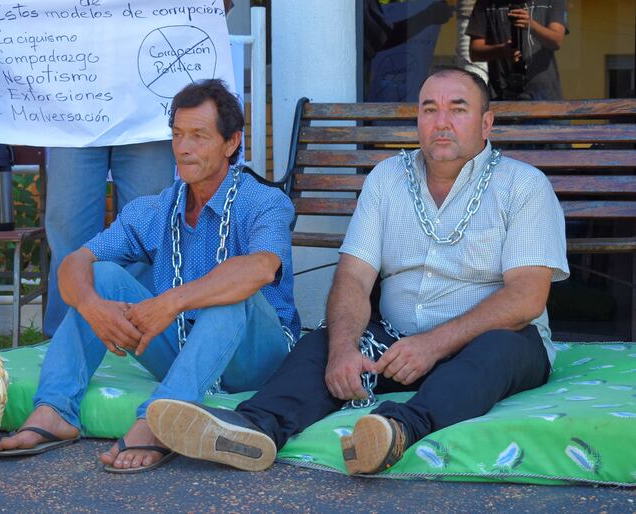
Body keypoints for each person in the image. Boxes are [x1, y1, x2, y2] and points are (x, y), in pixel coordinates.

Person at [145, 68, 570, 474]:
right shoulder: (386, 179)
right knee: (324, 344)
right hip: (396, 339)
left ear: (486, 123)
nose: (441, 122)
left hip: (498, 338)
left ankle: (395, 432)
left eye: (458, 109)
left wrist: (433, 345)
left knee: (492, 354)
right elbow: (354, 276)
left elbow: (525, 299)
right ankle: (253, 429)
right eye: (429, 109)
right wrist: (343, 348)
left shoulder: (523, 185)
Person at [0, 79, 301, 474]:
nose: (184, 148)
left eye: (199, 136)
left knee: (233, 293)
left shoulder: (264, 201)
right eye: (177, 135)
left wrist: (169, 302)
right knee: (99, 274)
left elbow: (260, 268)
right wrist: (92, 306)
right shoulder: (157, 207)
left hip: (257, 359)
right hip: (182, 346)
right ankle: (56, 409)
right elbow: (76, 262)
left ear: (231, 142)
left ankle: (158, 421)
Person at [43, 0, 238, 337]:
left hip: (147, 106)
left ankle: (137, 335)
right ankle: (64, 341)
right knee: (68, 230)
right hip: (73, 97)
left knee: (149, 235)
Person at [467, 0, 568, 100]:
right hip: (501, 94)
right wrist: (501, 50)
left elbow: (556, 41)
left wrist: (531, 26)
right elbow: (475, 52)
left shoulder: (552, 1)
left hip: (544, 94)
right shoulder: (486, 3)